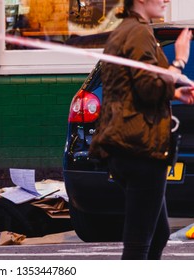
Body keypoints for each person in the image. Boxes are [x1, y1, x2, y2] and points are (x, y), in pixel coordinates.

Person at [89, 0, 194, 260]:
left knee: (157, 235)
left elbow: (133, 87)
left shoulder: (127, 30)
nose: (167, 1)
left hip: (127, 146)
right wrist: (179, 60)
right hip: (140, 148)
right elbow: (147, 87)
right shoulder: (138, 32)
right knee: (139, 244)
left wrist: (173, 91)